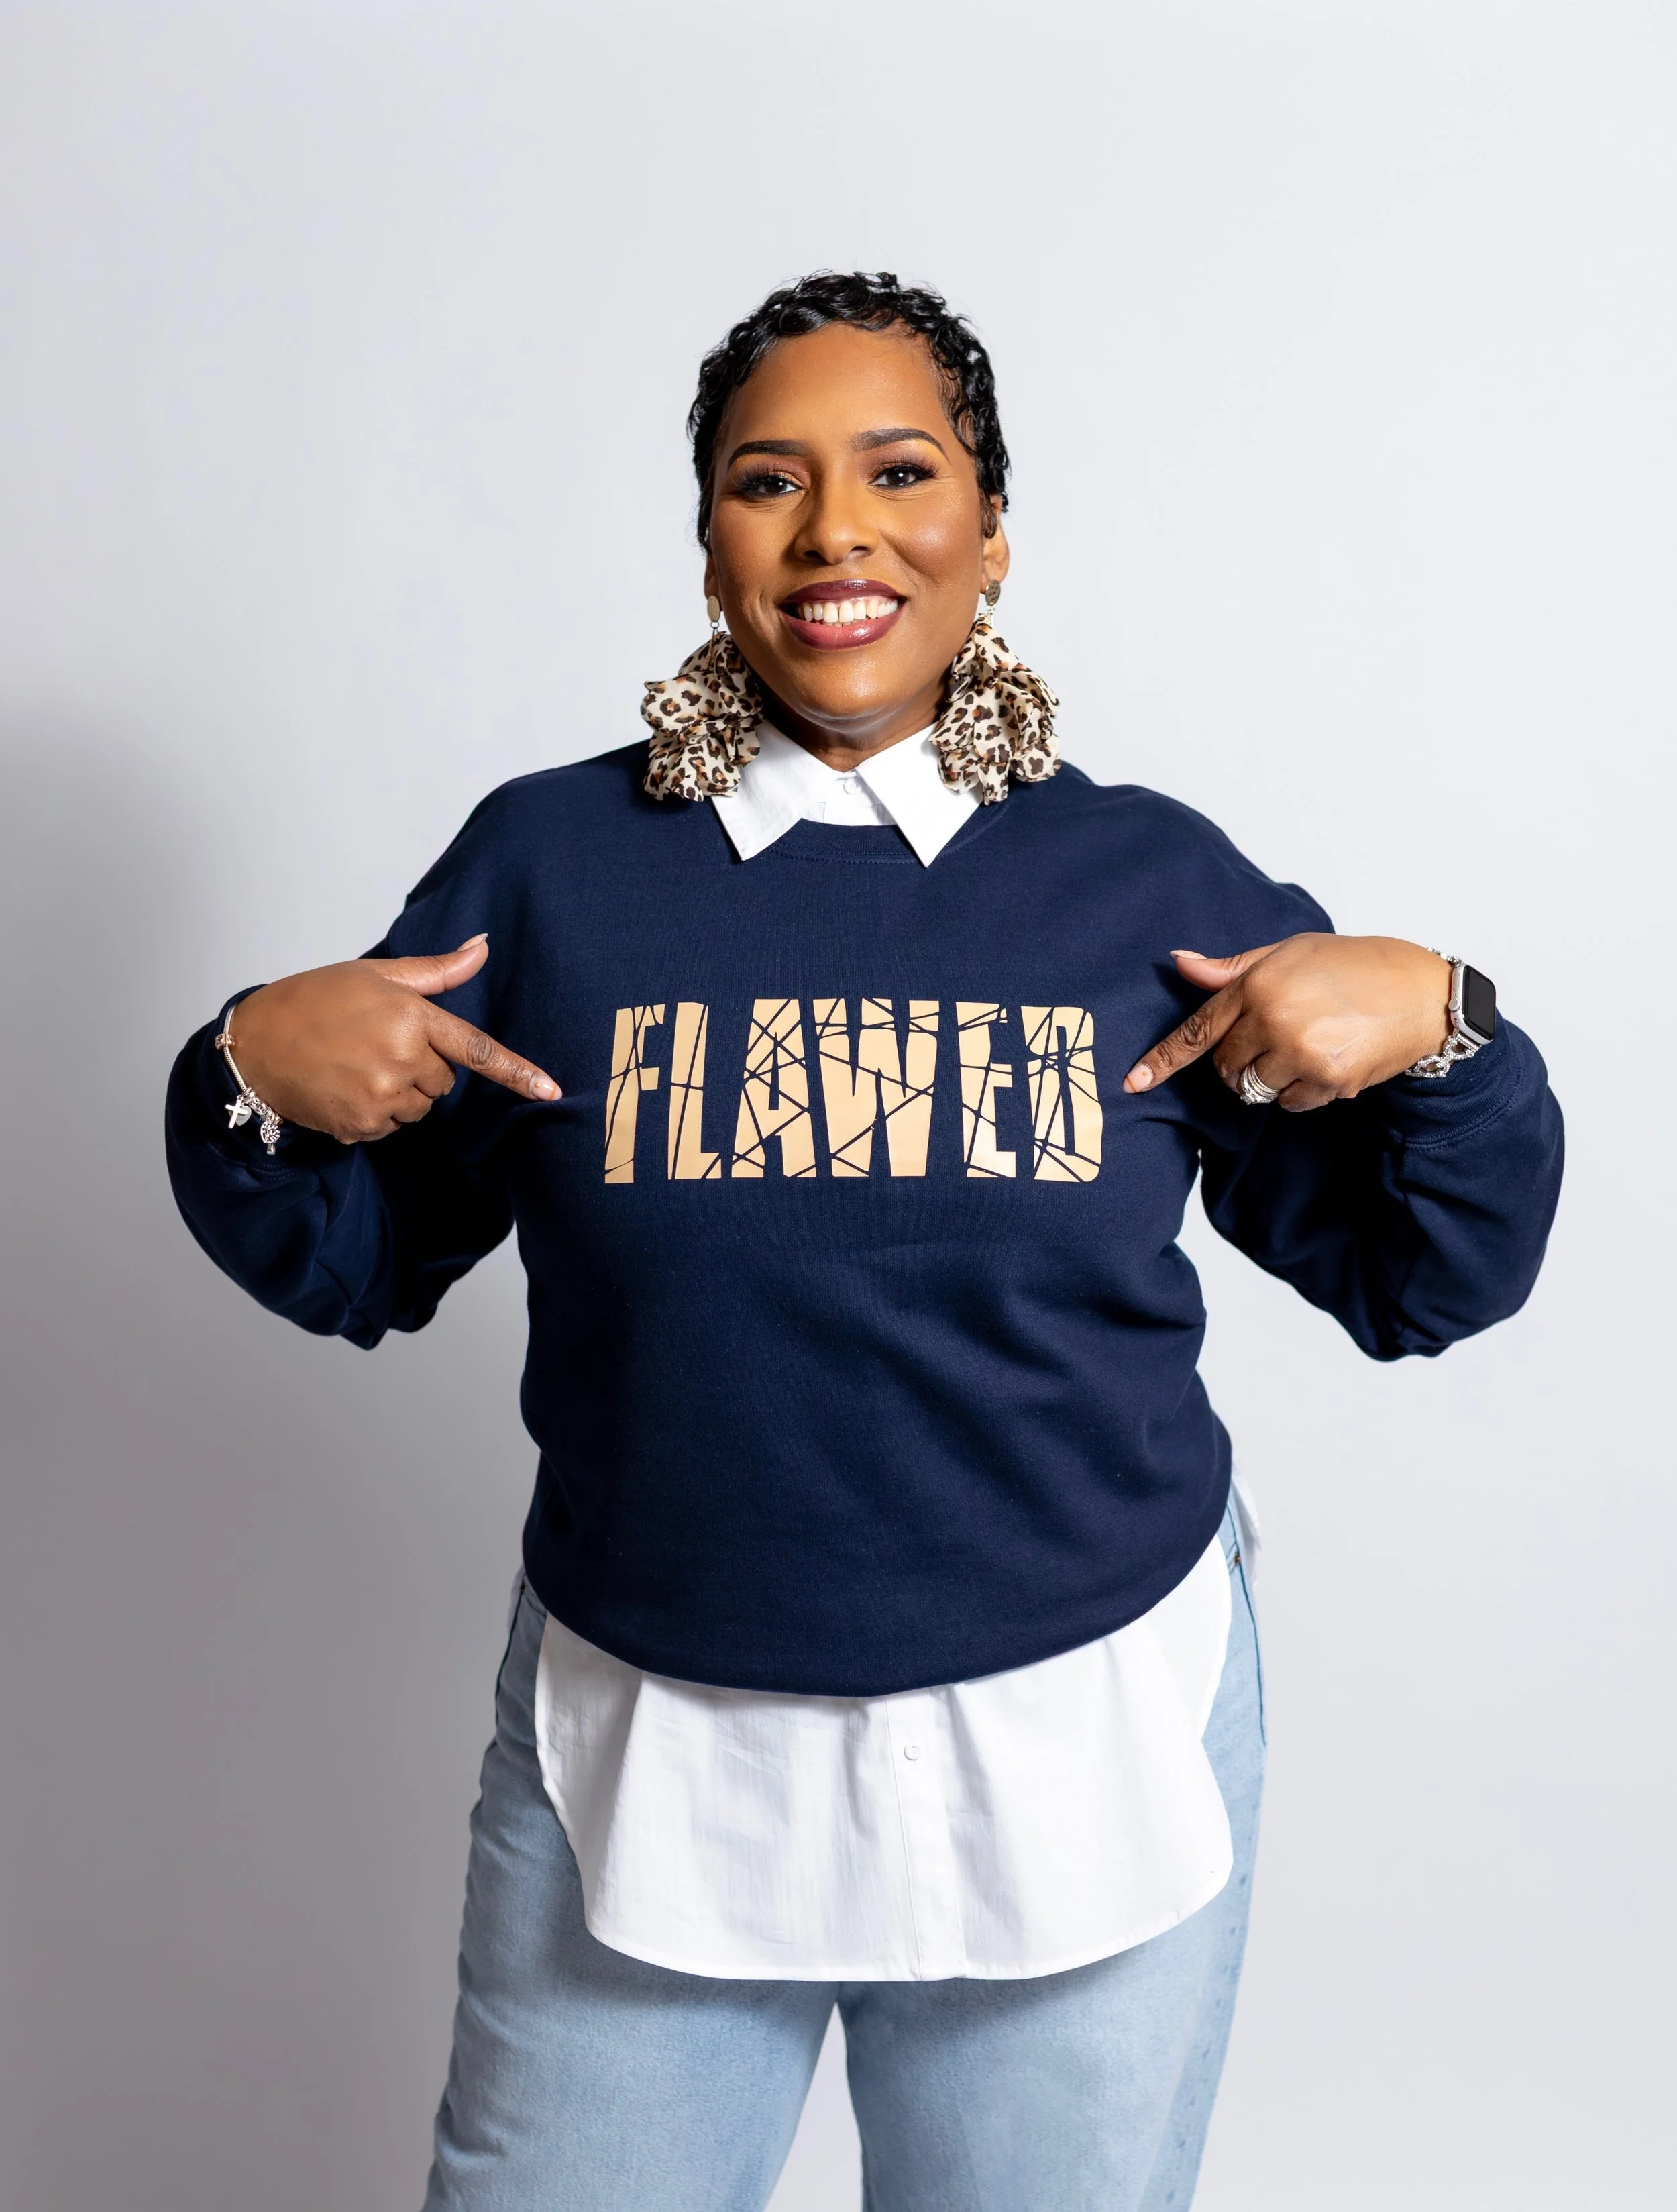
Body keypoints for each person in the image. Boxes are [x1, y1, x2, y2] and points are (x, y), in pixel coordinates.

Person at [166, 271, 1563, 2211]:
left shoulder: (1144, 879)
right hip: (648, 1735)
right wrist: (241, 1067)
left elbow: (1426, 1277)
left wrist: (1452, 1025)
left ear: (988, 534)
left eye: (899, 471)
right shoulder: (550, 869)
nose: (836, 532)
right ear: (708, 536)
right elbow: (352, 1259)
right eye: (767, 479)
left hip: (1083, 1715)